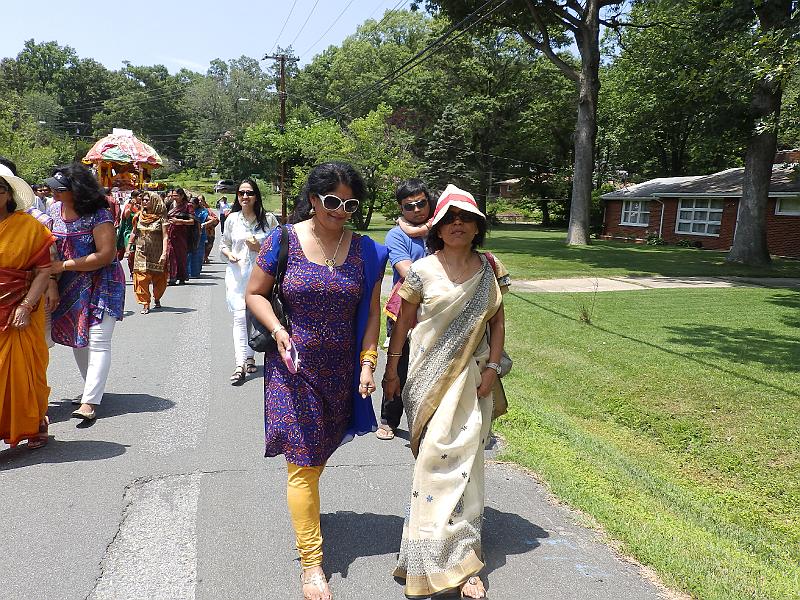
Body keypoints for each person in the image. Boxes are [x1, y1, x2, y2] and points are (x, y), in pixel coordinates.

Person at [246, 162, 387, 600]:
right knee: (304, 464)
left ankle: (307, 511)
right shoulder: (283, 240)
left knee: (319, 455)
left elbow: (371, 315)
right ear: (312, 199)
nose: (340, 211)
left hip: (340, 371)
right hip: (293, 368)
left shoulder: (366, 251)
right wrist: (277, 329)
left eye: (350, 204)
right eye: (332, 201)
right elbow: (254, 292)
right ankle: (312, 563)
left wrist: (368, 363)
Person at [383, 184, 510, 599]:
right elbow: (403, 323)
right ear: (437, 228)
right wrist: (392, 370)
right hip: (426, 380)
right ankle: (426, 552)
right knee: (432, 465)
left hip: (473, 380)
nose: (458, 225)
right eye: (450, 219)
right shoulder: (421, 271)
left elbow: (497, 322)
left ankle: (465, 560)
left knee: (466, 466)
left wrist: (493, 367)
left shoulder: (489, 268)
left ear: (477, 228)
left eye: (466, 219)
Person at [47, 164, 126, 421]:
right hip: (70, 285)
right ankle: (91, 388)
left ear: (77, 190)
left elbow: (105, 255)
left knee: (99, 340)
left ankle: (90, 401)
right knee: (78, 338)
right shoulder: (53, 210)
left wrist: (64, 265)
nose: (54, 192)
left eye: (60, 189)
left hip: (102, 282)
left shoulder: (99, 214)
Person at [0, 163, 56, 449]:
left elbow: (44, 271)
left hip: (19, 309)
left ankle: (33, 421)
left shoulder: (29, 227)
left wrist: (25, 306)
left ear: (9, 195)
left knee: (24, 372)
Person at [377, 179, 432, 441]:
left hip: (437, 312)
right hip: (403, 312)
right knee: (398, 367)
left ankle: (427, 422)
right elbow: (408, 273)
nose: (417, 209)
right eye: (409, 206)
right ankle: (389, 419)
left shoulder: (441, 228)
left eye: (421, 203)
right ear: (401, 208)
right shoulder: (396, 235)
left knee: (431, 369)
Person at [220, 178, 278, 384]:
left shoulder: (269, 220)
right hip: (237, 277)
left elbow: (280, 248)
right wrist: (229, 254)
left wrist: (259, 248)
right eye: (241, 193)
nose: (245, 196)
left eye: (249, 193)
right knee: (239, 318)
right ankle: (240, 365)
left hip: (262, 278)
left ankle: (250, 356)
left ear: (256, 196)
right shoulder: (232, 219)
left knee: (255, 318)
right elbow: (224, 244)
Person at [126, 191, 168, 314]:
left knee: (158, 278)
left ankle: (157, 297)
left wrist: (164, 253)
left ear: (154, 202)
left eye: (147, 200)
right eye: (143, 200)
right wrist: (128, 247)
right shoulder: (138, 216)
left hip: (157, 252)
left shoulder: (161, 218)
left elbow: (165, 236)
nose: (144, 202)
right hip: (141, 252)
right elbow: (134, 232)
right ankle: (145, 303)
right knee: (140, 277)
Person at [165, 188, 194, 285]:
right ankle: (171, 277)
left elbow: (192, 221)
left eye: (176, 196)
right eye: (173, 195)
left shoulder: (188, 206)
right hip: (170, 233)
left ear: (182, 196)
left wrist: (179, 221)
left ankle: (182, 276)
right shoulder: (170, 204)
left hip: (181, 234)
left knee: (181, 256)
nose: (174, 197)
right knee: (170, 254)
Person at [117, 190, 140, 274]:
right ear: (134, 197)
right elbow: (126, 216)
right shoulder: (128, 206)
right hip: (130, 232)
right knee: (131, 252)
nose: (141, 198)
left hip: (140, 232)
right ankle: (132, 271)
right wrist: (131, 206)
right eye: (139, 196)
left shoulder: (143, 206)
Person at [200, 196, 219, 264]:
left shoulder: (208, 210)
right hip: (199, 232)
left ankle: (205, 257)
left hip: (209, 232)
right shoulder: (194, 209)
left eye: (201, 200)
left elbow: (216, 220)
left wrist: (208, 225)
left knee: (209, 245)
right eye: (198, 200)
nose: (200, 202)